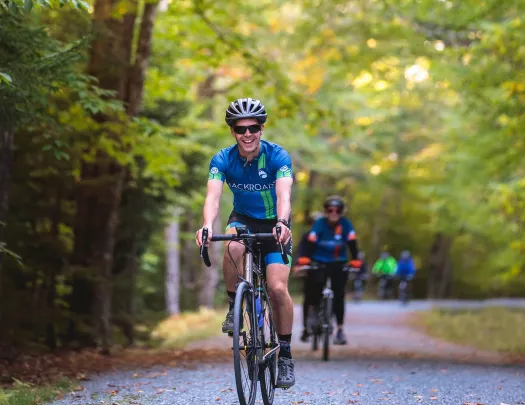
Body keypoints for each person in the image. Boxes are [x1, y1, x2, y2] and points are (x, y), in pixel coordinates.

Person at [195, 98, 295, 389]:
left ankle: (286, 356)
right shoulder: (223, 159)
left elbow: (284, 196)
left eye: (253, 128)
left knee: (277, 289)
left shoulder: (278, 156)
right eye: (241, 129)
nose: (247, 134)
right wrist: (206, 226)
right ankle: (233, 307)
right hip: (243, 219)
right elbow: (213, 198)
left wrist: (283, 223)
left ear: (261, 129)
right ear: (233, 132)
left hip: (275, 223)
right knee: (234, 246)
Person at [295, 196, 361, 345]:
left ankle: (340, 329)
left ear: (342, 212)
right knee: (314, 292)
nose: (334, 213)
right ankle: (312, 320)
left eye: (337, 210)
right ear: (325, 211)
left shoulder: (346, 224)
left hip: (338, 263)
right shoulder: (319, 224)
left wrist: (356, 259)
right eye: (330, 210)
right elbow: (309, 243)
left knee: (339, 295)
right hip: (320, 262)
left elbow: (352, 243)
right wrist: (305, 259)